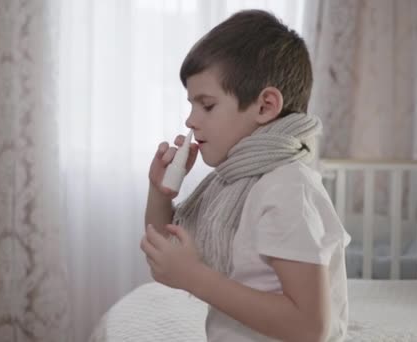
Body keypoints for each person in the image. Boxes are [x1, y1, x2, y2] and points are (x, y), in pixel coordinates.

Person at [140, 9, 351, 342]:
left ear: (266, 106)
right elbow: (163, 254)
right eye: (191, 105)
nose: (190, 121)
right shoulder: (234, 181)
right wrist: (161, 192)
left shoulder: (287, 190)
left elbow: (311, 327)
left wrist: (196, 277)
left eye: (206, 105)